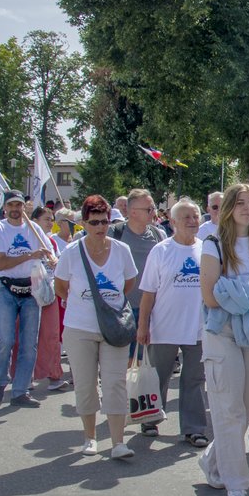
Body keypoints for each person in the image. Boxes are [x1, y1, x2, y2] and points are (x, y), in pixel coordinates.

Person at [199, 183, 249, 496]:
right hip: (222, 332)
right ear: (228, 207)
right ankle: (236, 485)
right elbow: (210, 296)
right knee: (228, 409)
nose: (246, 208)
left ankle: (213, 457)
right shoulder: (213, 243)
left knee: (246, 406)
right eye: (240, 202)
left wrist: (244, 291)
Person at [54, 195, 139, 458]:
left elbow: (129, 283)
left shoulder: (120, 249)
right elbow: (60, 287)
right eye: (94, 222)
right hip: (80, 327)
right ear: (84, 224)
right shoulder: (71, 252)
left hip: (113, 326)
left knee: (115, 383)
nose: (101, 227)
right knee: (85, 383)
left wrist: (108, 304)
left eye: (105, 221)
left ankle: (117, 442)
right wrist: (84, 304)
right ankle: (90, 437)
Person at [136, 199, 210, 444]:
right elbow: (148, 292)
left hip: (198, 329)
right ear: (173, 222)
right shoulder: (161, 250)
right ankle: (150, 419)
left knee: (195, 380)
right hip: (164, 327)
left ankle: (194, 428)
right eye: (186, 217)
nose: (192, 221)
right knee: (158, 376)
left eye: (195, 216)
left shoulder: (207, 250)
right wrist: (143, 325)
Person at [0, 189, 52, 407]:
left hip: (31, 291)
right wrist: (30, 255)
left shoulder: (33, 229)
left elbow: (50, 253)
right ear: (5, 208)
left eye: (18, 205)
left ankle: (20, 391)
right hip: (7, 289)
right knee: (6, 340)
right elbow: (2, 263)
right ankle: (0, 379)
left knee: (28, 344)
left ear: (24, 207)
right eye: (11, 206)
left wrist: (50, 258)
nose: (15, 210)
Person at [109, 188, 167, 368]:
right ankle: (120, 394)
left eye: (153, 208)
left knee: (146, 362)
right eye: (148, 209)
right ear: (132, 212)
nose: (154, 213)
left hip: (153, 308)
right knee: (123, 360)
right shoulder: (114, 234)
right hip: (124, 307)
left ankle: (139, 395)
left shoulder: (159, 234)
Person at [18, 206, 65, 391]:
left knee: (51, 335)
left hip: (48, 292)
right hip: (28, 292)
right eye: (46, 219)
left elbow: (59, 266)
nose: (50, 222)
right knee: (28, 336)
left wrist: (56, 263)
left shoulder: (52, 243)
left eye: (52, 219)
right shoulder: (26, 239)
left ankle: (54, 374)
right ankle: (26, 376)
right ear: (34, 221)